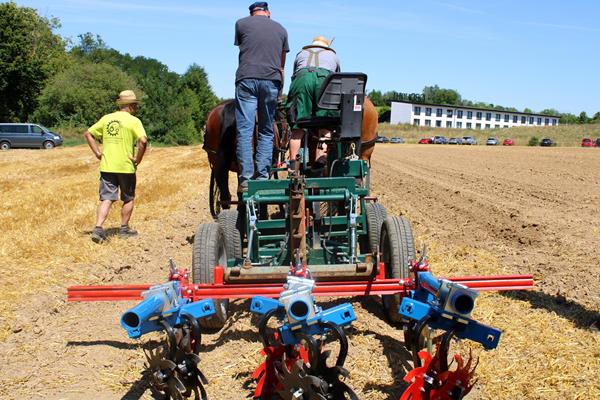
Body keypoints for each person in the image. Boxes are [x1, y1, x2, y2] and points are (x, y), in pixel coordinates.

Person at [234, 1, 289, 192]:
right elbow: (281, 65)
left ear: (252, 13)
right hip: (270, 80)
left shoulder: (241, 24)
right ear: (268, 12)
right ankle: (263, 175)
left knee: (245, 130)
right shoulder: (281, 29)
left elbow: (245, 49)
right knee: (266, 129)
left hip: (246, 78)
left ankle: (246, 179)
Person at [83, 90, 148, 243]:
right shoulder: (134, 121)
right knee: (128, 198)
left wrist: (98, 153)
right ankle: (124, 229)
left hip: (107, 166)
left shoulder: (107, 118)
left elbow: (88, 134)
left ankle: (98, 229)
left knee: (106, 198)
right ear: (131, 106)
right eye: (135, 106)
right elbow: (143, 141)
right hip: (126, 167)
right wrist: (137, 159)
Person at [287, 36, 340, 170]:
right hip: (325, 81)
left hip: (302, 80)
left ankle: (293, 165)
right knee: (325, 125)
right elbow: (338, 77)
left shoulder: (301, 53)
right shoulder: (333, 55)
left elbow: (295, 74)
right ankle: (320, 161)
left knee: (297, 126)